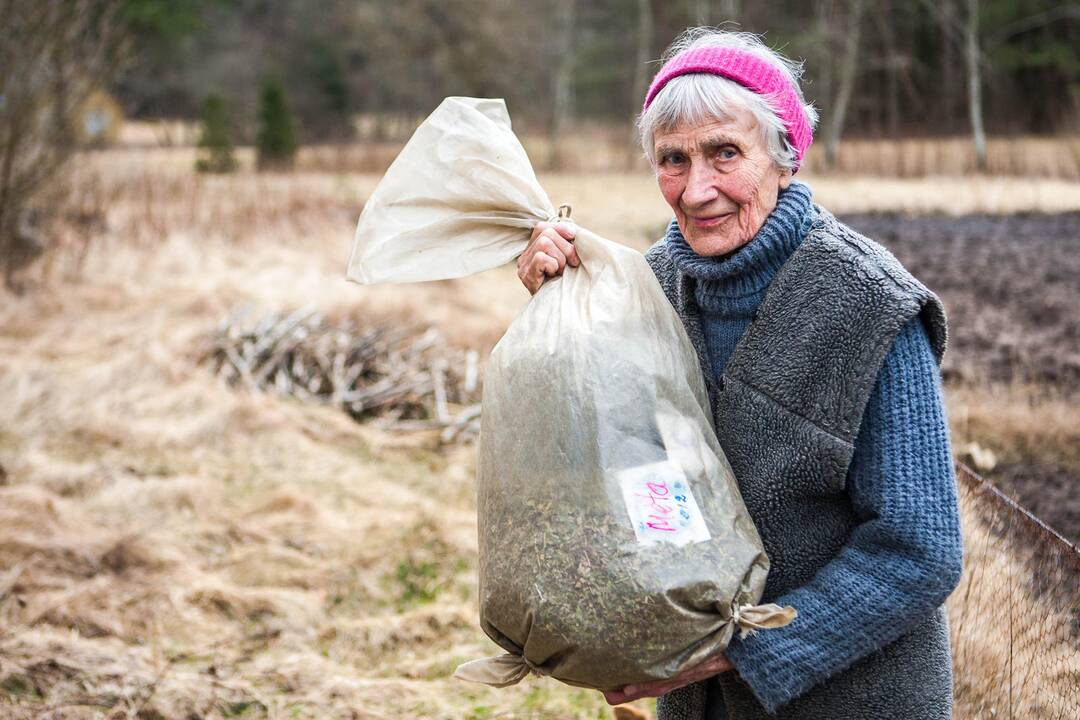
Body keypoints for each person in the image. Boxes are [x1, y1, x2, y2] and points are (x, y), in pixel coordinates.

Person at [516, 28, 964, 720]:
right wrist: (562, 304)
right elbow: (605, 458)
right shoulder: (648, 288)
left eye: (725, 153)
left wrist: (737, 648)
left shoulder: (870, 307)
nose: (697, 190)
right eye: (673, 159)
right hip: (695, 698)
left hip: (857, 699)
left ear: (784, 156)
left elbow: (919, 551)